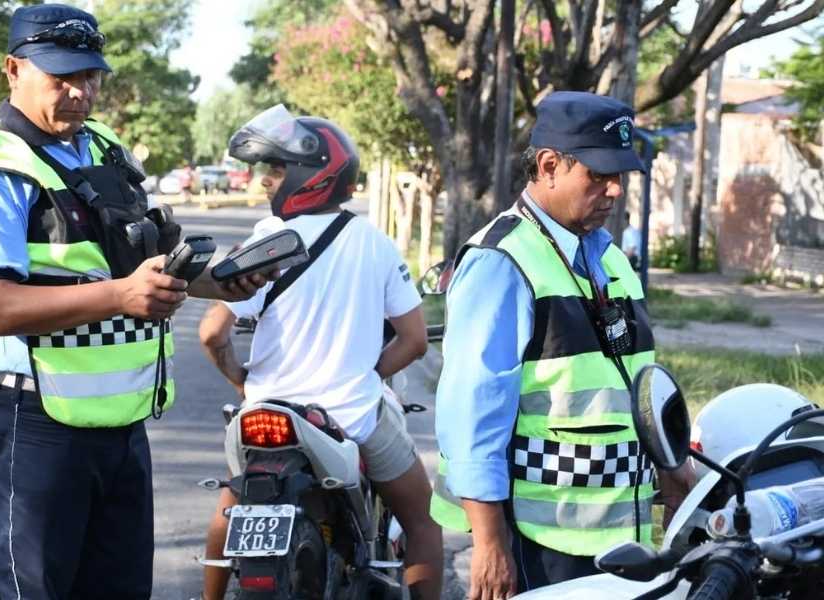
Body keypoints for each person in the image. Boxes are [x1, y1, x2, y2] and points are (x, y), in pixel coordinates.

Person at [0, 5, 270, 598]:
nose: (80, 93)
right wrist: (121, 296)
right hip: (26, 424)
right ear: (13, 69)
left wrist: (220, 280)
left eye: (90, 77)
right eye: (61, 78)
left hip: (119, 426)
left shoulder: (104, 148)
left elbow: (157, 255)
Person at [430, 91, 692, 598]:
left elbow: (631, 384)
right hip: (538, 542)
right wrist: (489, 543)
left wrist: (670, 466)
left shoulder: (610, 258)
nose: (614, 190)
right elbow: (472, 410)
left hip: (617, 531)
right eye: (599, 175)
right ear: (549, 166)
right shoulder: (501, 261)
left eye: (619, 176)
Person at [197, 105, 444, 600]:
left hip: (266, 416)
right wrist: (367, 373)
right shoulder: (375, 243)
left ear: (312, 176)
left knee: (234, 501)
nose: (266, 182)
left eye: (277, 169)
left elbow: (210, 334)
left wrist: (246, 386)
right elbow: (414, 341)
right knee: (422, 519)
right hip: (351, 416)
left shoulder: (268, 240)